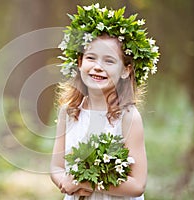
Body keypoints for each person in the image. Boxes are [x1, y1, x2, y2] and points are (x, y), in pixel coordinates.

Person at [50, 4, 160, 200]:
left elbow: (137, 184)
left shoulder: (127, 117)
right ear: (80, 62)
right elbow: (56, 166)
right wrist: (64, 182)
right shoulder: (70, 111)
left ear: (126, 70)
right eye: (91, 58)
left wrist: (85, 181)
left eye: (109, 61)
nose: (98, 67)